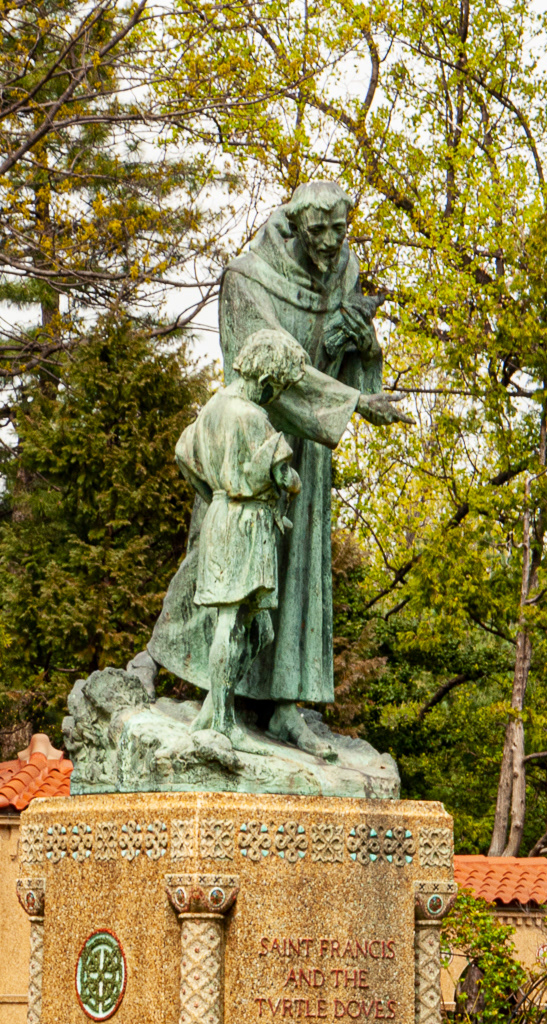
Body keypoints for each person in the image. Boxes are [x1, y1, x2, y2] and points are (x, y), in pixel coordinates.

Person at [148, 181, 401, 761]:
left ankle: (288, 708)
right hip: (248, 446)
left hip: (307, 453)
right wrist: (352, 402)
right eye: (320, 232)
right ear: (293, 227)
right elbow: (264, 360)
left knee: (299, 575)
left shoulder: (344, 271)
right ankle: (215, 701)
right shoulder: (245, 280)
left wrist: (366, 349)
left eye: (341, 231)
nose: (333, 244)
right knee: (221, 588)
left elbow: (346, 368)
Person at [175, 330, 305, 746]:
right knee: (231, 622)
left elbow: (183, 454)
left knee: (258, 630)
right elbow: (282, 474)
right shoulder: (250, 416)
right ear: (267, 374)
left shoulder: (211, 409)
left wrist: (212, 494)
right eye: (279, 385)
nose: (276, 393)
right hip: (244, 523)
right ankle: (223, 724)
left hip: (222, 515)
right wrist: (291, 482)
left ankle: (215, 706)